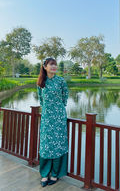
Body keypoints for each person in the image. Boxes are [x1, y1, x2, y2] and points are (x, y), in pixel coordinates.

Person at [37, 57, 69, 187]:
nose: (54, 67)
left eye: (55, 65)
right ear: (45, 67)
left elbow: (65, 97)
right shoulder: (41, 82)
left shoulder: (61, 81)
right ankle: (44, 175)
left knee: (58, 144)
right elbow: (40, 99)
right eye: (51, 65)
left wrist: (58, 109)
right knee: (46, 144)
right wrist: (48, 110)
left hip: (59, 118)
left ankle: (55, 174)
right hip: (46, 117)